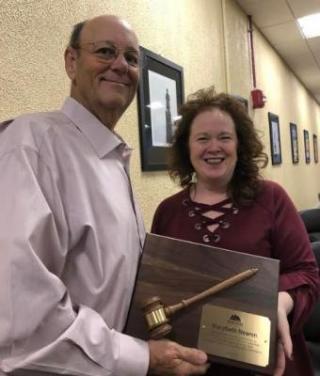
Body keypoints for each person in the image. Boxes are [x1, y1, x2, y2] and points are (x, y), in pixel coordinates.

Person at [0, 15, 209, 376]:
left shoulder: (113, 159)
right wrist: (142, 358)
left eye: (131, 58)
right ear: (71, 61)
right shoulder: (31, 146)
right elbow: (21, 319)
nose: (120, 66)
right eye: (105, 52)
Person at [151, 87, 320, 376]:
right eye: (202, 138)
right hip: (192, 364)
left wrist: (279, 301)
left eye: (224, 137)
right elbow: (156, 286)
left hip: (265, 359)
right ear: (186, 147)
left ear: (239, 145)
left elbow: (307, 274)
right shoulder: (168, 212)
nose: (213, 147)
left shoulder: (271, 198)